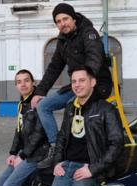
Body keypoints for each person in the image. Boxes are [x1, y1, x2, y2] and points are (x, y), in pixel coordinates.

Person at [33, 3, 113, 169]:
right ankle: (56, 148)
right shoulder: (62, 41)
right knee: (43, 106)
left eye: (65, 19)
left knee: (71, 107)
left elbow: (95, 58)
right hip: (75, 86)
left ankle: (82, 151)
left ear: (74, 18)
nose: (63, 23)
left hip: (97, 84)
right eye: (58, 21)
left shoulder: (88, 33)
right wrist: (39, 91)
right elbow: (54, 67)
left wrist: (84, 81)